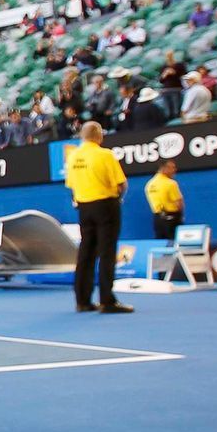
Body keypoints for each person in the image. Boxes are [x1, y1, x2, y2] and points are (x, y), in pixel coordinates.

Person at [65, 121, 132, 313]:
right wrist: (118, 198)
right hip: (105, 205)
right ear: (99, 135)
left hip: (84, 207)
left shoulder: (73, 156)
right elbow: (121, 184)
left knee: (85, 253)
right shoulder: (105, 155)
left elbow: (71, 185)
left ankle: (82, 300)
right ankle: (106, 300)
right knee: (107, 252)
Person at [145, 158, 185, 242]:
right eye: (172, 168)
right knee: (174, 242)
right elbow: (179, 203)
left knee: (160, 243)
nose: (174, 170)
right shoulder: (171, 183)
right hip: (172, 218)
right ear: (163, 168)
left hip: (157, 219)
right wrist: (180, 216)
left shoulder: (150, 184)